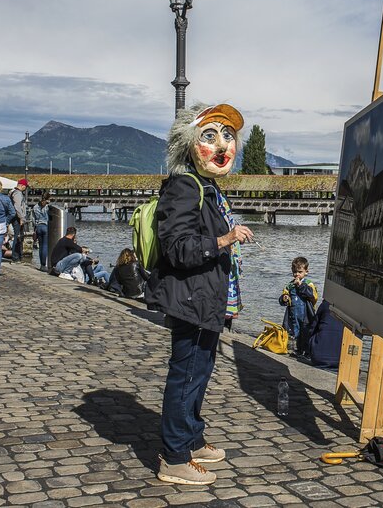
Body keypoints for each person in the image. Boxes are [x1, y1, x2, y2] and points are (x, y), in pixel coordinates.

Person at [148, 103, 254, 486]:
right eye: (210, 136)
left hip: (207, 299)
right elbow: (176, 247)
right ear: (189, 144)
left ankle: (191, 439)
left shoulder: (207, 187)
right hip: (191, 299)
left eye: (228, 136)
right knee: (187, 374)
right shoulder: (182, 185)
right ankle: (174, 458)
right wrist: (224, 238)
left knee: (200, 371)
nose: (223, 144)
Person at [279, 256, 317, 356]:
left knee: (306, 332)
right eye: (295, 272)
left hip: (305, 314)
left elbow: (313, 296)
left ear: (306, 272)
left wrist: (301, 285)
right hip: (293, 313)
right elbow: (283, 296)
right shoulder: (290, 285)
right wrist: (284, 298)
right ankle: (298, 349)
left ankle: (307, 352)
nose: (297, 275)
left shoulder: (309, 284)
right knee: (295, 331)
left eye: (300, 272)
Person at [307, 299, 344, 369]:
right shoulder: (351, 309)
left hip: (318, 358)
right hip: (341, 361)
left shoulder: (326, 304)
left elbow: (313, 328)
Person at [9, 178, 29, 262]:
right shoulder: (17, 194)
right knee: (18, 237)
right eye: (25, 186)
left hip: (15, 217)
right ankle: (15, 256)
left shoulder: (12, 192)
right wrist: (21, 218)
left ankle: (17, 255)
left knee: (18, 237)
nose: (26, 188)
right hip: (17, 218)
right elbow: (17, 207)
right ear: (22, 185)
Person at [30, 195, 51, 271]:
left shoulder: (35, 207)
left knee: (41, 246)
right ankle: (44, 264)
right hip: (46, 226)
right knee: (45, 246)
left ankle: (42, 265)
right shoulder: (48, 207)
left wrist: (34, 227)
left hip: (38, 227)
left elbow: (33, 219)